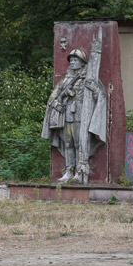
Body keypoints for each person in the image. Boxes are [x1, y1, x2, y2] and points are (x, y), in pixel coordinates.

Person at [41, 30, 107, 183]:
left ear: (82, 62)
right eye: (71, 60)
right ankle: (69, 171)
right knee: (67, 143)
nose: (72, 62)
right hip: (67, 114)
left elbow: (100, 97)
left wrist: (95, 90)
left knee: (80, 143)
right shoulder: (66, 78)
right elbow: (55, 94)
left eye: (75, 60)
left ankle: (81, 171)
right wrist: (56, 103)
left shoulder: (89, 77)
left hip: (81, 115)